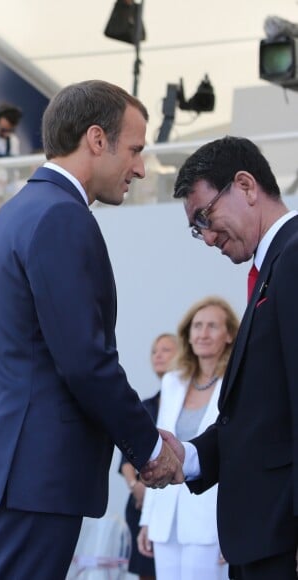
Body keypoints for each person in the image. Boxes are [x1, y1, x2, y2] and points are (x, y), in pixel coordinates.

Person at [0, 80, 183, 579]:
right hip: (37, 474)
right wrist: (146, 446)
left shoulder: (18, 212)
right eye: (136, 150)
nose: (141, 168)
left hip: (13, 471)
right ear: (97, 139)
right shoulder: (62, 216)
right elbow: (84, 358)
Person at [151, 135, 298, 579]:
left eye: (205, 216)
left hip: (281, 537)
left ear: (246, 186)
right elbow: (259, 415)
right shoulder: (272, 267)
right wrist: (188, 457)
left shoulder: (293, 259)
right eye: (197, 228)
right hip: (260, 537)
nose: (208, 237)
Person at [138, 297, 239, 580]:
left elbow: (233, 454)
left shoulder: (235, 382)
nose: (203, 333)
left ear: (230, 334)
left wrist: (233, 527)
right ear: (188, 334)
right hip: (166, 519)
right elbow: (160, 450)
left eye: (212, 326)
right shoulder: (173, 381)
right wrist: (148, 519)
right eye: (197, 326)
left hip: (211, 521)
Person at [120, 333, 178, 580]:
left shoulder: (191, 403)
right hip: (142, 503)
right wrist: (136, 487)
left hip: (176, 498)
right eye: (155, 351)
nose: (158, 355)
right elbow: (125, 460)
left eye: (166, 350)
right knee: (146, 572)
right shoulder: (145, 406)